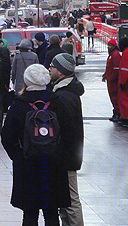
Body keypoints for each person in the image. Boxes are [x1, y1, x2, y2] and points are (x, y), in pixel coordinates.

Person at [1, 64, 70, 226]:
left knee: (30, 213)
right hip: (54, 164)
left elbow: (7, 136)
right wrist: (60, 153)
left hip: (27, 164)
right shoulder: (58, 102)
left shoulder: (18, 104)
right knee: (52, 213)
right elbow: (69, 133)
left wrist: (19, 156)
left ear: (26, 81)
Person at [49, 54, 85, 226]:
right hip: (68, 155)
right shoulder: (64, 92)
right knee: (65, 200)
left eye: (52, 66)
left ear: (61, 72)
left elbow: (69, 130)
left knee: (70, 200)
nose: (49, 69)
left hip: (67, 157)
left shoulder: (65, 96)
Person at [102, 38, 121, 122]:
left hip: (113, 80)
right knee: (113, 97)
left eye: (110, 45)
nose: (108, 47)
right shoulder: (112, 54)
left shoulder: (115, 55)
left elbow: (116, 68)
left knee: (115, 97)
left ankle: (118, 113)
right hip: (111, 79)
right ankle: (116, 112)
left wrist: (112, 77)